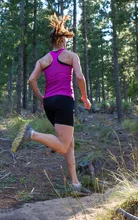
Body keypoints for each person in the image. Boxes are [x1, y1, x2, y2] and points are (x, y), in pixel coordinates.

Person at [11, 13, 92, 196]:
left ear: (52, 42)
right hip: (64, 101)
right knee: (63, 146)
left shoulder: (44, 60)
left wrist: (41, 98)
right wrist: (85, 98)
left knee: (69, 143)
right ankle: (31, 134)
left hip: (49, 103)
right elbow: (79, 77)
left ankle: (75, 185)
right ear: (63, 40)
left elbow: (32, 79)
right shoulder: (71, 56)